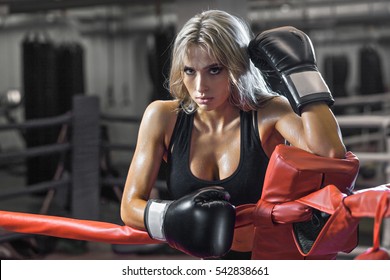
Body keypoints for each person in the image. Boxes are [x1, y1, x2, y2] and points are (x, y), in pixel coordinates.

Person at [120, 9, 346, 259]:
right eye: (189, 71)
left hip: (265, 261)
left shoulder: (267, 112)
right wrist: (171, 216)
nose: (200, 87)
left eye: (214, 70)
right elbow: (129, 208)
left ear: (236, 67)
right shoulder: (163, 117)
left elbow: (331, 152)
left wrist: (302, 73)